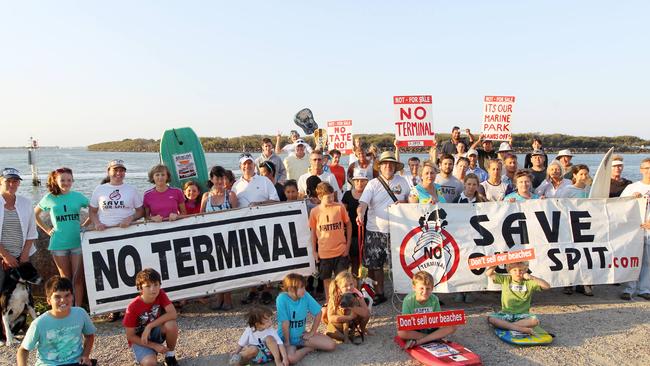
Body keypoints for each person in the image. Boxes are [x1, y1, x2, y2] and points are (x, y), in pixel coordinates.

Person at [357, 152, 409, 304]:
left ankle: (405, 289)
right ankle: (379, 293)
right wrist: (360, 214)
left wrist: (406, 204)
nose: (388, 166)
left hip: (398, 230)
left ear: (395, 166)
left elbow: (412, 199)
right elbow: (363, 204)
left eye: (391, 164)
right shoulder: (372, 184)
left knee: (401, 262)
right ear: (380, 166)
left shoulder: (404, 181)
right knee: (376, 264)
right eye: (385, 163)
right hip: (376, 230)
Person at [34, 167, 89, 306]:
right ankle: (67, 308)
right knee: (65, 279)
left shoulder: (78, 196)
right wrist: (47, 229)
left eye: (69, 180)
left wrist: (86, 224)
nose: (66, 183)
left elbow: (94, 209)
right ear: (56, 181)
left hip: (77, 242)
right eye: (62, 180)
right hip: (59, 244)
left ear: (73, 180)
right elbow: (34, 214)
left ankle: (78, 309)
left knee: (78, 279)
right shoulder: (49, 198)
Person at [17, 276, 96, 366]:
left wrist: (85, 356)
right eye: (57, 297)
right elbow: (23, 350)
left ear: (72, 296)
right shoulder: (39, 323)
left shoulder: (80, 313)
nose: (63, 300)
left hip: (75, 362)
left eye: (67, 295)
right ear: (49, 300)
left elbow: (89, 336)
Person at [201, 165, 239, 310]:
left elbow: (237, 216)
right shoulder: (206, 197)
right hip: (211, 239)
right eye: (216, 178)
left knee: (227, 269)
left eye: (221, 177)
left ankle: (228, 298)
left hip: (228, 238)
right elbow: (200, 218)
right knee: (215, 269)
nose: (219, 181)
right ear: (211, 179)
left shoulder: (231, 196)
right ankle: (219, 297)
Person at [123, 268, 179, 366]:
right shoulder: (132, 307)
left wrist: (149, 326)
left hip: (153, 332)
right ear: (140, 288)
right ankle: (144, 356)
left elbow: (173, 313)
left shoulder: (160, 294)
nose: (153, 289)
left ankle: (170, 356)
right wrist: (154, 346)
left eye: (156, 285)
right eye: (148, 286)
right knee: (150, 363)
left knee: (171, 324)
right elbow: (130, 336)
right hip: (140, 340)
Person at [276, 273, 336, 364]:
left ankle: (306, 347)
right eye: (301, 287)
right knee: (291, 359)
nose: (304, 290)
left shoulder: (305, 295)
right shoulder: (281, 298)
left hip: (301, 337)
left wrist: (312, 332)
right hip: (285, 338)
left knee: (331, 345)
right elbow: (285, 322)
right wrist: (287, 343)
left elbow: (318, 312)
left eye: (304, 286)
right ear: (291, 289)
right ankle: (308, 349)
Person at [309, 182, 352, 302]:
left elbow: (348, 224)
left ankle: (344, 304)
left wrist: (347, 247)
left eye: (332, 196)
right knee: (326, 280)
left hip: (340, 251)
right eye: (328, 197)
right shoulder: (315, 212)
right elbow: (313, 232)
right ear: (319, 197)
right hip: (324, 253)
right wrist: (314, 251)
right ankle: (330, 304)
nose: (331, 199)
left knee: (342, 280)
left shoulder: (339, 207)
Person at [397, 271, 457, 349]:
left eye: (428, 288)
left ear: (432, 288)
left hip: (431, 328)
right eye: (421, 288)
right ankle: (433, 338)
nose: (425, 292)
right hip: (416, 330)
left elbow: (438, 321)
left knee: (453, 326)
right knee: (401, 332)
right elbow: (406, 323)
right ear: (414, 288)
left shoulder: (434, 299)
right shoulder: (408, 300)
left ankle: (419, 341)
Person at [486, 262, 550, 334]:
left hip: (522, 315)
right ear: (509, 271)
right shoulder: (506, 279)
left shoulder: (529, 282)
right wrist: (495, 264)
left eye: (521, 270)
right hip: (506, 314)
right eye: (514, 270)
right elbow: (489, 274)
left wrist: (532, 277)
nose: (518, 273)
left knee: (534, 321)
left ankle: (508, 327)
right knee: (491, 319)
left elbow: (547, 286)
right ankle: (520, 328)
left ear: (525, 270)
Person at [0, 168, 37, 292]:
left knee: (24, 295)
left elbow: (32, 232)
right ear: (1, 181)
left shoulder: (26, 203)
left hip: (22, 258)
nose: (12, 184)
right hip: (2, 258)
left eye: (15, 181)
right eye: (8, 180)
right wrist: (6, 256)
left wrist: (25, 255)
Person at [619, 158, 650, 301]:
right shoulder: (632, 187)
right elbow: (619, 205)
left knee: (647, 261)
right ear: (641, 170)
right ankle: (629, 288)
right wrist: (632, 198)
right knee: (633, 258)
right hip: (634, 230)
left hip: (649, 229)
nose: (648, 171)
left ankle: (644, 289)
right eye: (646, 168)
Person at [89, 159, 143, 231]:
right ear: (108, 172)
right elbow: (92, 211)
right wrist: (97, 223)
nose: (118, 173)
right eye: (115, 170)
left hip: (128, 230)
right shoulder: (99, 189)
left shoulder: (132, 189)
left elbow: (141, 211)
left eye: (121, 170)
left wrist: (131, 218)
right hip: (104, 231)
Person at [325, 271, 370, 344]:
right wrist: (349, 317)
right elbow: (331, 317)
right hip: (339, 321)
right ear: (338, 287)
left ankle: (362, 329)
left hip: (352, 319)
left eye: (351, 284)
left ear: (354, 282)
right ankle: (345, 336)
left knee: (366, 314)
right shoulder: (335, 295)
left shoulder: (356, 293)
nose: (349, 287)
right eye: (345, 286)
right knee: (324, 312)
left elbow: (366, 313)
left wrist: (351, 307)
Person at [341, 169, 368, 276]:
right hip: (350, 232)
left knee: (364, 261)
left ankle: (364, 285)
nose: (359, 183)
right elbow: (342, 213)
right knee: (352, 260)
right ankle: (352, 282)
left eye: (362, 181)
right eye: (357, 181)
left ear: (366, 182)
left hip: (366, 232)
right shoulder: (347, 195)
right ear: (353, 182)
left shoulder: (369, 194)